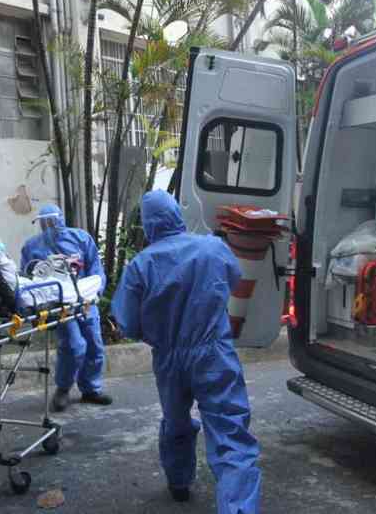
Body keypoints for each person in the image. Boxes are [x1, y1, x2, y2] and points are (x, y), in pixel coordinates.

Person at [111, 190, 261, 513]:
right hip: (213, 353)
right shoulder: (212, 248)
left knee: (176, 420)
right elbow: (234, 278)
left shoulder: (140, 266)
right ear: (177, 214)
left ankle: (179, 482)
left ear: (148, 225)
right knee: (230, 433)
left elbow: (128, 323)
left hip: (168, 357)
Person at [21, 204, 112, 411]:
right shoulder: (32, 246)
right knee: (73, 346)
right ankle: (63, 388)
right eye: (44, 222)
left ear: (61, 219)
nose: (49, 226)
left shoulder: (81, 239)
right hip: (59, 305)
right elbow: (26, 276)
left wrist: (96, 291)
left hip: (85, 300)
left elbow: (95, 268)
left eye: (52, 221)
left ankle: (91, 389)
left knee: (94, 345)